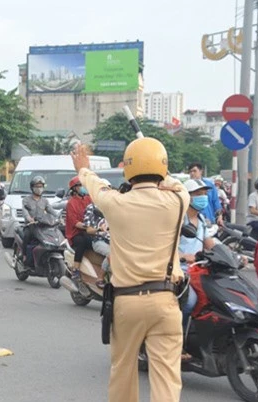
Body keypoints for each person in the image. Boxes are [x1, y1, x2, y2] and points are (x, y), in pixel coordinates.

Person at [73, 138, 188, 402]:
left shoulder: (116, 203)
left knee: (123, 371)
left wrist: (83, 168)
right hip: (166, 301)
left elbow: (96, 187)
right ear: (162, 167)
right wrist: (160, 170)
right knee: (167, 379)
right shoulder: (179, 202)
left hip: (127, 302)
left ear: (127, 169)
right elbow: (174, 182)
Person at [178, 179, 217, 359]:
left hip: (200, 270)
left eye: (204, 194)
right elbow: (167, 246)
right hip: (181, 270)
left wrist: (229, 254)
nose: (203, 198)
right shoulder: (178, 219)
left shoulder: (201, 219)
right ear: (187, 197)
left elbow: (209, 243)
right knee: (190, 302)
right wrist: (183, 256)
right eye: (198, 194)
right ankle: (178, 343)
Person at [81, 178, 112, 288]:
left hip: (114, 240)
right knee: (112, 255)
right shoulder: (91, 207)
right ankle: (100, 278)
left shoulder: (112, 208)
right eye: (102, 190)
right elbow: (88, 230)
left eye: (107, 190)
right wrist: (100, 230)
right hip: (99, 240)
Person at [21, 175, 57, 267]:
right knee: (27, 236)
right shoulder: (26, 200)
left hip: (42, 225)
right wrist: (29, 218)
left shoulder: (45, 201)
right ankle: (24, 255)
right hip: (30, 225)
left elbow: (51, 210)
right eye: (37, 186)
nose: (39, 189)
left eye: (41, 186)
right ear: (32, 188)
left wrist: (58, 217)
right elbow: (24, 211)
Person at [65, 176, 92, 279]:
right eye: (80, 185)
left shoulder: (88, 199)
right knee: (82, 241)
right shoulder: (71, 203)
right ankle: (76, 268)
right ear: (75, 188)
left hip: (90, 230)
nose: (83, 187)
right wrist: (87, 227)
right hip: (75, 233)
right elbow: (75, 223)